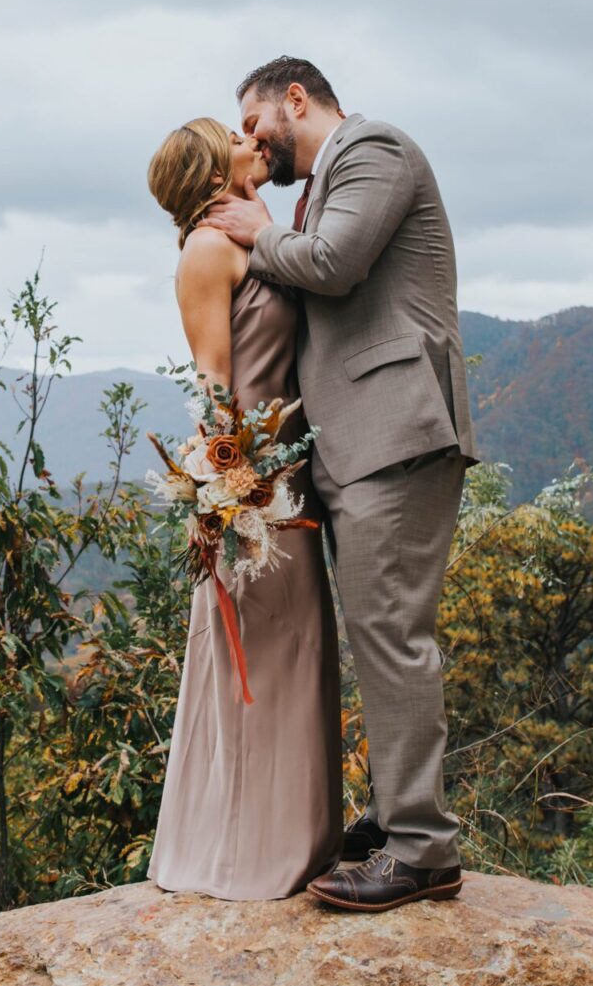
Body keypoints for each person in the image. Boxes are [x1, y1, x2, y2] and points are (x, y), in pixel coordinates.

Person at [203, 55, 478, 913]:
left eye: (253, 125)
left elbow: (335, 263)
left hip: (395, 434)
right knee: (377, 634)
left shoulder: (376, 150)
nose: (251, 143)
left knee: (392, 635)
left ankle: (422, 851)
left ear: (295, 98)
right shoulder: (320, 185)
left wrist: (252, 230)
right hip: (357, 447)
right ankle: (398, 817)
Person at [143, 116, 344, 899]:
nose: (252, 139)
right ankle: (244, 855)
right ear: (205, 166)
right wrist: (229, 495)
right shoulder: (203, 252)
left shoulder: (259, 237)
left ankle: (301, 842)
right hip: (253, 491)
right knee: (260, 663)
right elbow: (214, 383)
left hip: (293, 476)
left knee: (302, 655)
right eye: (232, 134)